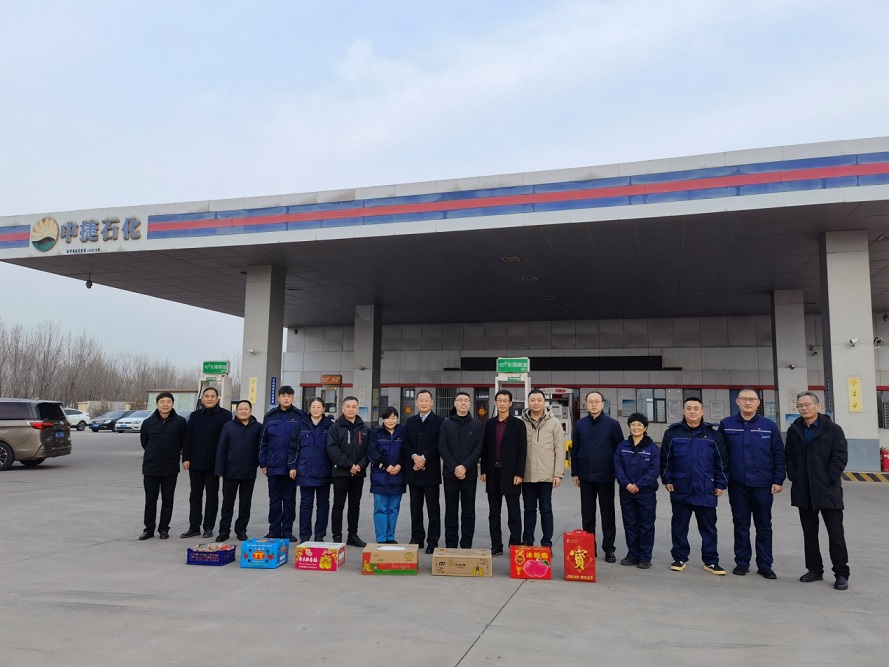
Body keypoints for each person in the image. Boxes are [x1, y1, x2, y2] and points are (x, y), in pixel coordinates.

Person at [785, 391, 850, 591]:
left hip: (827, 489)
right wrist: (794, 475)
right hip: (803, 489)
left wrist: (830, 477)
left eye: (807, 404)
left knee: (836, 534)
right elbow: (789, 456)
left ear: (817, 406)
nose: (804, 408)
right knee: (810, 534)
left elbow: (840, 456)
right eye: (800, 405)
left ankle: (841, 573)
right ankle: (814, 570)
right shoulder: (794, 429)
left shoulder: (833, 429)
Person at [718, 389, 785, 578]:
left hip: (762, 484)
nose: (748, 402)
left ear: (758, 403)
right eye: (744, 399)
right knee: (741, 524)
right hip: (737, 484)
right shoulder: (727, 424)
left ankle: (765, 564)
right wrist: (722, 480)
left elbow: (779, 454)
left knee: (764, 525)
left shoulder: (769, 426)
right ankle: (742, 562)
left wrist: (778, 479)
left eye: (752, 399)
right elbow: (720, 455)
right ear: (737, 401)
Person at [662, 397, 729, 574]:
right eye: (689, 408)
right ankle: (679, 558)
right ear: (683, 411)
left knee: (708, 528)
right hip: (680, 487)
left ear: (702, 411)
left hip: (706, 488)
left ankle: (711, 561)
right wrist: (667, 479)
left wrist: (721, 483)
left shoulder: (713, 435)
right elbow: (666, 460)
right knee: (679, 526)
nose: (692, 411)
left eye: (696, 408)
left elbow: (722, 462)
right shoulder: (672, 433)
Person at [570, 391, 624, 562]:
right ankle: (588, 547)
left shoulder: (612, 424)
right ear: (586, 404)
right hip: (585, 476)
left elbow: (620, 450)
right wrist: (575, 472)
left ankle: (609, 548)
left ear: (602, 404)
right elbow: (575, 449)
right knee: (587, 514)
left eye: (597, 401)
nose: (593, 404)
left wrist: (618, 473)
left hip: (605, 476)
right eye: (590, 401)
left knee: (607, 513)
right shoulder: (580, 424)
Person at [180, 387, 233, 539]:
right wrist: (186, 458)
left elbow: (228, 440)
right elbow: (188, 438)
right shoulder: (195, 415)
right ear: (202, 398)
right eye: (207, 396)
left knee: (212, 496)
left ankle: (208, 527)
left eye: (212, 396)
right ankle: (194, 526)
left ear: (217, 398)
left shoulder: (225, 415)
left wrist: (223, 462)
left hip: (214, 464)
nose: (209, 399)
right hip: (195, 462)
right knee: (195, 496)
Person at [480, 390, 526, 556]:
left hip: (511, 474)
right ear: (495, 403)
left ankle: (515, 544)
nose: (502, 403)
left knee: (514, 512)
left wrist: (519, 473)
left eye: (505, 400)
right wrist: (483, 470)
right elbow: (485, 449)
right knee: (494, 513)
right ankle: (496, 545)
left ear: (510, 403)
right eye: (499, 400)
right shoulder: (489, 423)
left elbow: (522, 450)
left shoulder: (518, 425)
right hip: (493, 473)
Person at [259, 386, 306, 542]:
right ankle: (274, 530)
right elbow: (263, 441)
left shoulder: (300, 416)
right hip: (273, 465)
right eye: (283, 396)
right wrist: (263, 463)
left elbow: (302, 443)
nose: (286, 398)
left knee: (289, 500)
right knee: (274, 500)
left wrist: (297, 465)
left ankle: (287, 531)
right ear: (278, 398)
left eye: (289, 396)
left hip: (290, 467)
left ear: (293, 398)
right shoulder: (270, 416)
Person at [613, 412, 660, 569]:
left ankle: (645, 557)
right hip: (626, 492)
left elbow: (654, 471)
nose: (636, 427)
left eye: (639, 424)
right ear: (629, 427)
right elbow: (617, 466)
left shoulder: (652, 448)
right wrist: (627, 484)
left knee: (646, 525)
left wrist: (639, 484)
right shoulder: (622, 446)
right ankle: (632, 555)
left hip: (646, 493)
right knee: (630, 523)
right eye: (633, 424)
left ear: (645, 428)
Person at [139, 392, 187, 540]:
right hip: (151, 467)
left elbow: (183, 442)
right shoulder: (148, 422)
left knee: (167, 500)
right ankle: (148, 529)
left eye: (168, 401)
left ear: (172, 404)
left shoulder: (180, 422)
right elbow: (144, 442)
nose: (165, 404)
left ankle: (164, 529)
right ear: (157, 404)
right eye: (162, 401)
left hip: (170, 468)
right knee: (150, 500)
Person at [520, 389, 565, 547]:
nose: (536, 403)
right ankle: (528, 540)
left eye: (539, 400)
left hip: (546, 474)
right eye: (533, 400)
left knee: (546, 509)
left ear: (544, 402)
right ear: (528, 402)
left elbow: (560, 449)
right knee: (529, 509)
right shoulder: (521, 422)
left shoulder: (554, 423)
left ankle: (546, 542)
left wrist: (558, 474)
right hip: (526, 474)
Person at [439, 391, 484, 549]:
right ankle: (451, 545)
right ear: (455, 403)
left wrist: (464, 466)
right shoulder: (446, 424)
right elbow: (442, 447)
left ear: (470, 404)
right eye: (460, 400)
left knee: (468, 512)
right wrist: (455, 467)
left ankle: (466, 545)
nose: (463, 403)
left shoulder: (477, 425)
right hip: (450, 475)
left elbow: (479, 448)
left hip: (469, 475)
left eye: (466, 400)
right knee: (451, 511)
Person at [403, 389, 445, 554]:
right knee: (415, 508)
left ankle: (432, 541)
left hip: (431, 472)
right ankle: (417, 538)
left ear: (432, 402)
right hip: (413, 471)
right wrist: (414, 456)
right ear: (416, 403)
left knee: (433, 509)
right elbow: (406, 442)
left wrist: (424, 457)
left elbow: (439, 444)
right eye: (421, 400)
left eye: (427, 400)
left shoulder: (440, 422)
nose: (424, 403)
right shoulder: (410, 421)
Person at [288, 397, 334, 542]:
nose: (316, 409)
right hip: (305, 471)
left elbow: (334, 449)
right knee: (305, 505)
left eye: (318, 407)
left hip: (324, 471)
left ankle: (319, 535)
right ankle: (305, 536)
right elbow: (293, 448)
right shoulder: (301, 425)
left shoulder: (330, 426)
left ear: (323, 409)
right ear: (309, 409)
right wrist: (292, 466)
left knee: (323, 505)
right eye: (313, 407)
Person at [327, 396, 370, 547]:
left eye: (354, 407)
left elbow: (368, 450)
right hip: (340, 473)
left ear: (357, 409)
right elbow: (332, 449)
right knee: (338, 505)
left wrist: (360, 466)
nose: (351, 409)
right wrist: (348, 465)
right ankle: (337, 536)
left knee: (354, 505)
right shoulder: (335, 427)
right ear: (343, 408)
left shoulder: (364, 428)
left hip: (358, 473)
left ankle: (352, 535)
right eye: (348, 406)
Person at [215, 400, 261, 541]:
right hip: (230, 471)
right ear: (236, 411)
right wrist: (219, 469)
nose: (243, 411)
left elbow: (261, 447)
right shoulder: (228, 426)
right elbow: (221, 448)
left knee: (245, 504)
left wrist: (258, 463)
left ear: (250, 411)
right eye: (240, 409)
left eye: (246, 409)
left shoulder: (258, 427)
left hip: (248, 472)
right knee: (227, 503)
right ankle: (224, 531)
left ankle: (241, 530)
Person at [367, 406, 406, 544]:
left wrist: (400, 465)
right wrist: (386, 466)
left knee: (393, 508)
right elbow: (372, 452)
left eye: (393, 418)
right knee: (380, 508)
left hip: (398, 476)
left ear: (397, 418)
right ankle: (381, 537)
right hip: (380, 476)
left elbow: (406, 451)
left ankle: (390, 536)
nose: (391, 421)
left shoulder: (403, 432)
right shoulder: (376, 433)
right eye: (388, 418)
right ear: (383, 419)